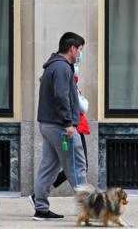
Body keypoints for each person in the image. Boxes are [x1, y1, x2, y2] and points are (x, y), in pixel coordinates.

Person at [33, 32, 88, 221]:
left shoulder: (53, 66)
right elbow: (61, 96)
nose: (80, 53)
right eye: (80, 49)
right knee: (77, 166)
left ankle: (40, 208)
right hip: (61, 127)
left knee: (47, 167)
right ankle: (89, 209)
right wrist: (68, 124)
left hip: (48, 125)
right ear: (72, 49)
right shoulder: (63, 68)